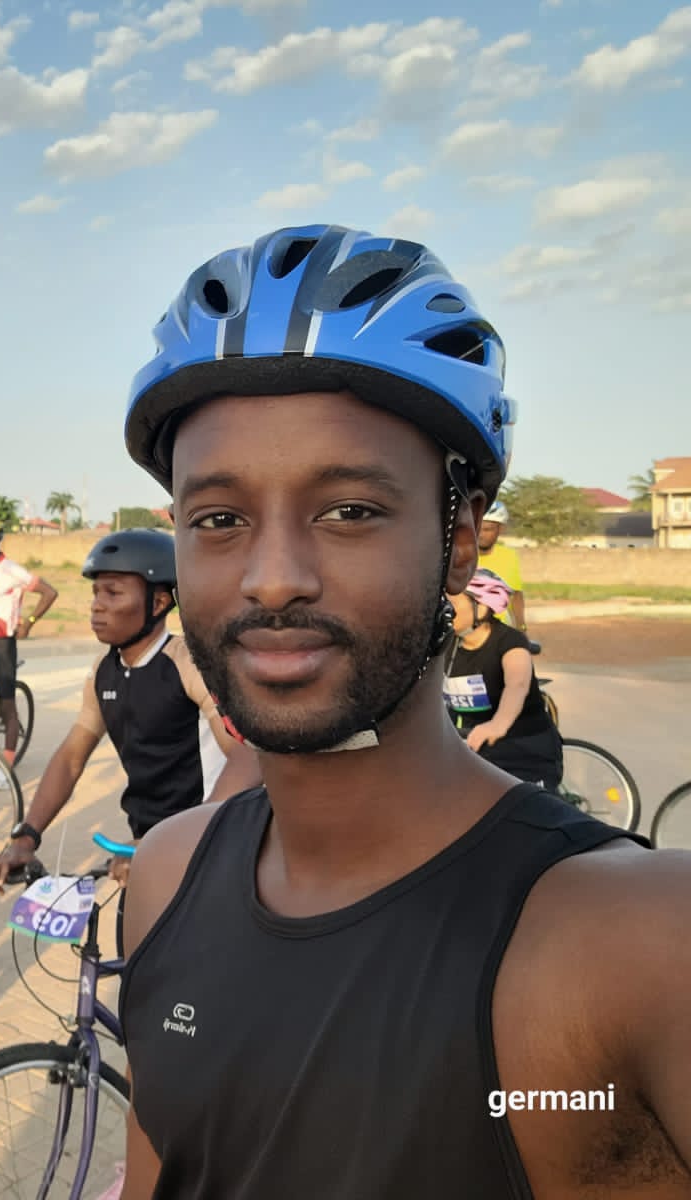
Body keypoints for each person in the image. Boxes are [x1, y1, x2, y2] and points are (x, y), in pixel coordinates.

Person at [116, 224, 683, 1198]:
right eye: (219, 519)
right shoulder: (166, 876)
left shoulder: (635, 937)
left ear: (459, 540)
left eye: (349, 510)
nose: (273, 578)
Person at [0, 529, 260, 896]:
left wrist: (180, 840)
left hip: (208, 841)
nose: (97, 605)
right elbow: (70, 758)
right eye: (96, 593)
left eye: (113, 593)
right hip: (143, 844)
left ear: (158, 603)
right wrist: (26, 837)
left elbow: (248, 758)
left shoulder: (187, 664)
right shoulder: (104, 671)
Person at [444, 569, 562, 788]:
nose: (446, 609)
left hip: (524, 749)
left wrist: (497, 725)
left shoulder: (510, 641)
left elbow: (517, 684)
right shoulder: (449, 645)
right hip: (477, 749)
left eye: (453, 603)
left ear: (481, 608)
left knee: (526, 806)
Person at [0, 520, 58, 785]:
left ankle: (6, 767)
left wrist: (29, 623)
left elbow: (50, 593)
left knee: (8, 707)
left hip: (3, 646)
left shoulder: (11, 570)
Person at [477, 501, 526, 629]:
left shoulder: (509, 556)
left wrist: (521, 627)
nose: (481, 534)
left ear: (501, 529)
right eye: (477, 528)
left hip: (500, 629)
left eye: (487, 529)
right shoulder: (459, 557)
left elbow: (515, 594)